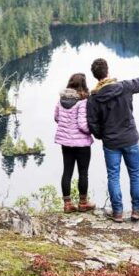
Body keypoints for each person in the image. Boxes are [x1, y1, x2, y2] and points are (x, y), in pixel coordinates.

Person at [86, 58, 139, 223]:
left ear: (95, 76)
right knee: (135, 173)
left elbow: (92, 123)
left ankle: (117, 212)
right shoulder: (123, 87)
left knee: (113, 176)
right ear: (107, 71)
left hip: (111, 143)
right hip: (130, 139)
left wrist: (102, 135)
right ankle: (137, 210)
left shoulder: (94, 98)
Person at [54, 73, 96, 214]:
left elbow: (56, 118)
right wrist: (93, 130)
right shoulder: (82, 101)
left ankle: (67, 204)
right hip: (82, 144)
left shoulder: (61, 100)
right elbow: (83, 125)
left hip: (66, 143)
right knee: (83, 173)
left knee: (67, 171)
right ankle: (83, 203)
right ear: (82, 85)